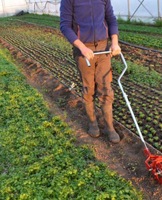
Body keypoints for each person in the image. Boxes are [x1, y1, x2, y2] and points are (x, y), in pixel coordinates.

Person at [60, 0, 121, 143]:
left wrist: (114, 42)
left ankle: (110, 127)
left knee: (106, 87)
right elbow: (65, 26)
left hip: (103, 48)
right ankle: (93, 123)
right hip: (83, 50)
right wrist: (82, 47)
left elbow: (111, 19)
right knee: (89, 88)